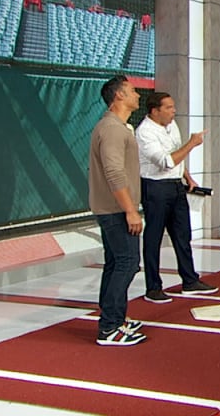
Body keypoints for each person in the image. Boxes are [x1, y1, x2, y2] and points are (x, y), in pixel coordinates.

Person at [136, 92, 217, 304]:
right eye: (169, 108)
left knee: (182, 234)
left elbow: (177, 158)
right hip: (154, 188)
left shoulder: (173, 126)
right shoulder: (144, 132)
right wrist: (192, 144)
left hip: (175, 186)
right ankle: (153, 287)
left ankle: (190, 280)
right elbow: (166, 162)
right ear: (155, 111)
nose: (174, 111)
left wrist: (188, 177)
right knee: (153, 238)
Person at [89, 75, 146, 346]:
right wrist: (130, 210)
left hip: (113, 208)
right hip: (116, 210)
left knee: (116, 263)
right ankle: (110, 326)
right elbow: (113, 171)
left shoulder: (117, 127)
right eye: (133, 90)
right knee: (126, 263)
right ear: (119, 96)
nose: (138, 94)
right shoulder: (112, 129)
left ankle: (114, 319)